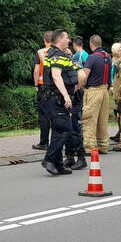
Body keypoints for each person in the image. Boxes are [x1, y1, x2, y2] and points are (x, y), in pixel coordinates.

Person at [41, 29, 80, 176]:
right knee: (65, 129)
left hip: (54, 98)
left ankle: (58, 164)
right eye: (66, 37)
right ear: (59, 40)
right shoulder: (57, 55)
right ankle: (49, 160)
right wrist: (66, 96)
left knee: (58, 130)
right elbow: (56, 76)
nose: (69, 40)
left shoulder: (56, 54)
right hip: (57, 98)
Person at [79, 35, 112, 156]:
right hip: (105, 91)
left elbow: (84, 75)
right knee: (102, 120)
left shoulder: (92, 57)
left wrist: (80, 87)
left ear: (91, 44)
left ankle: (89, 147)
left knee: (89, 119)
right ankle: (103, 145)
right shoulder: (107, 56)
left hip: (93, 91)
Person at [32, 31, 53, 150]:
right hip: (56, 87)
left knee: (44, 116)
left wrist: (36, 85)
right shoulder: (59, 52)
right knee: (55, 114)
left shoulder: (40, 52)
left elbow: (36, 70)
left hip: (42, 86)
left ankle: (44, 142)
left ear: (45, 41)